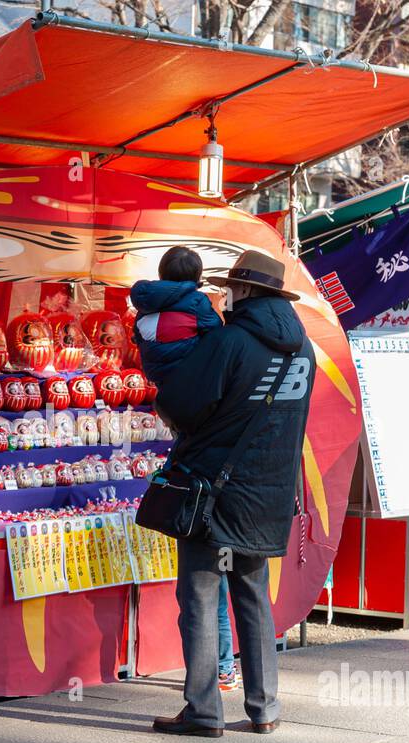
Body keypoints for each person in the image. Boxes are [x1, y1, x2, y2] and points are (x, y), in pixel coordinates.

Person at [150, 249, 316, 737]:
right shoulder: (302, 349)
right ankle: (264, 707)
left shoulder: (230, 342)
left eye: (230, 288)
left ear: (244, 291)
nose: (225, 295)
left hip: (214, 491)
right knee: (252, 595)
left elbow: (181, 403)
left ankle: (203, 711)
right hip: (268, 495)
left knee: (200, 597)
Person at [131, 246, 238, 692]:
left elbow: (148, 352)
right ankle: (223, 669)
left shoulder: (140, 313)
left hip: (168, 396)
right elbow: (218, 340)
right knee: (215, 574)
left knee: (199, 577)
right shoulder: (198, 304)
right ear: (195, 277)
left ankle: (214, 672)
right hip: (202, 412)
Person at [129, 245, 224, 381]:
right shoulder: (197, 301)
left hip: (155, 375)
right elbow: (215, 330)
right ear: (197, 277)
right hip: (187, 375)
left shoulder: (145, 302)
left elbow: (138, 336)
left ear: (160, 272)